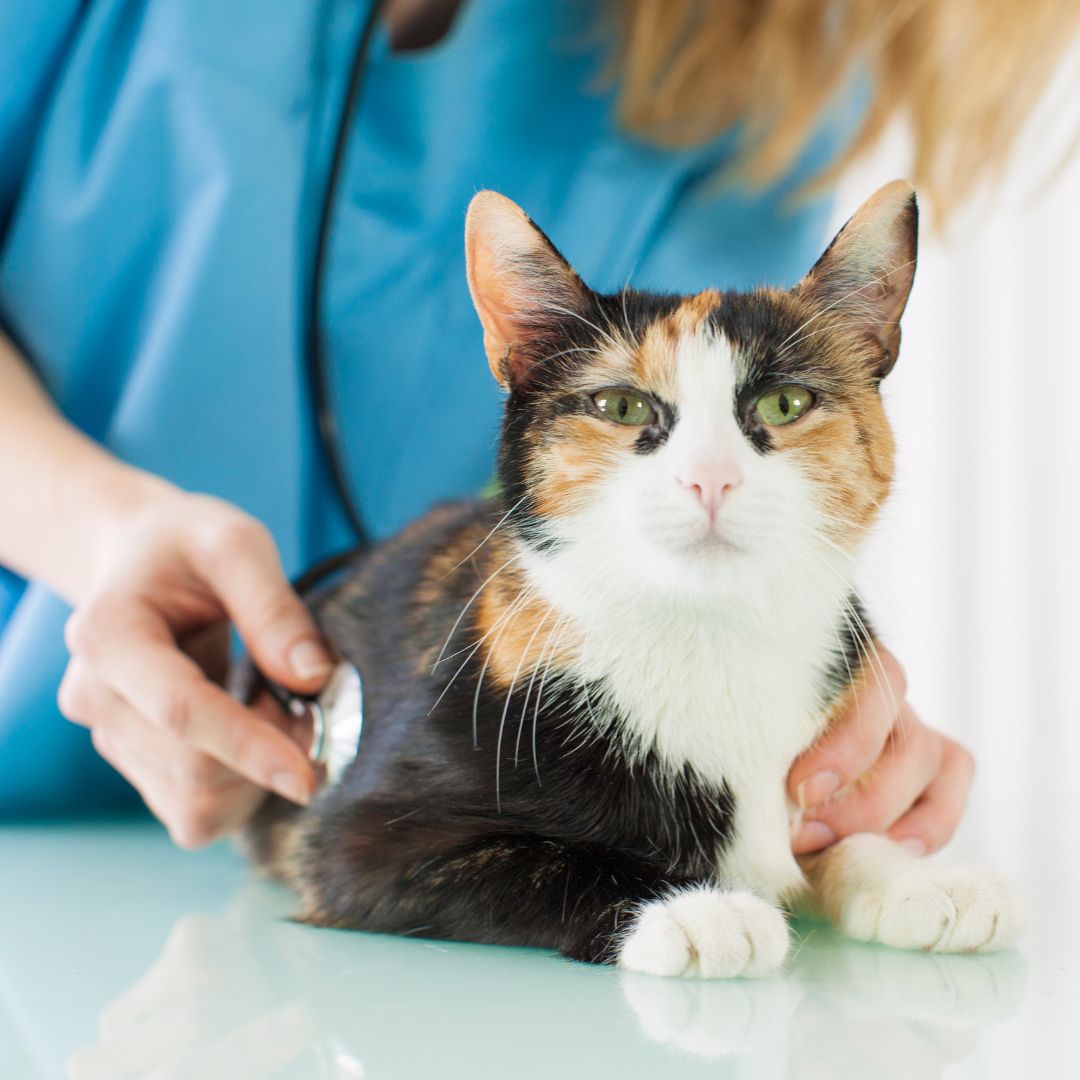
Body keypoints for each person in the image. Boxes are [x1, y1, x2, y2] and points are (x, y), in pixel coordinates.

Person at [0, 0, 1073, 851]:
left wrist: (798, 680)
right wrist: (96, 532)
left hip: (444, 810)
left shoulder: (767, 50)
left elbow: (693, 486)